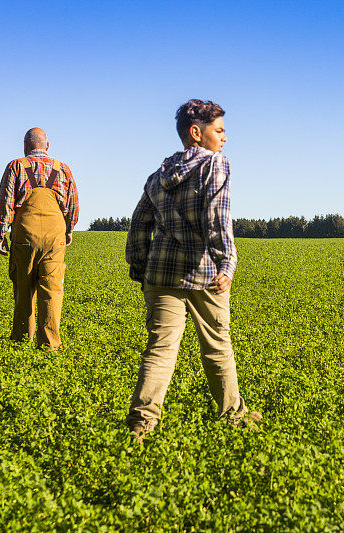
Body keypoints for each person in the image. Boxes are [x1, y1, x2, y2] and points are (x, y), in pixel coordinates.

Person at [125, 99, 261, 443]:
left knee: (160, 349)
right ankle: (233, 415)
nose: (225, 139)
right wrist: (226, 262)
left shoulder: (157, 176)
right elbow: (218, 217)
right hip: (204, 274)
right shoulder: (215, 164)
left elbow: (139, 223)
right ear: (196, 133)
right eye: (220, 130)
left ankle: (142, 425)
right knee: (217, 345)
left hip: (160, 275)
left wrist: (140, 266)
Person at [0, 128, 79, 349]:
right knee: (52, 291)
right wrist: (68, 230)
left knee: (24, 288)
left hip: (25, 235)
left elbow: (6, 203)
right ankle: (49, 346)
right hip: (54, 237)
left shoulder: (16, 166)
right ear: (47, 146)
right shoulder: (64, 169)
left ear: (25, 145)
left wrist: (1, 232)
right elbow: (72, 206)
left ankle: (21, 343)